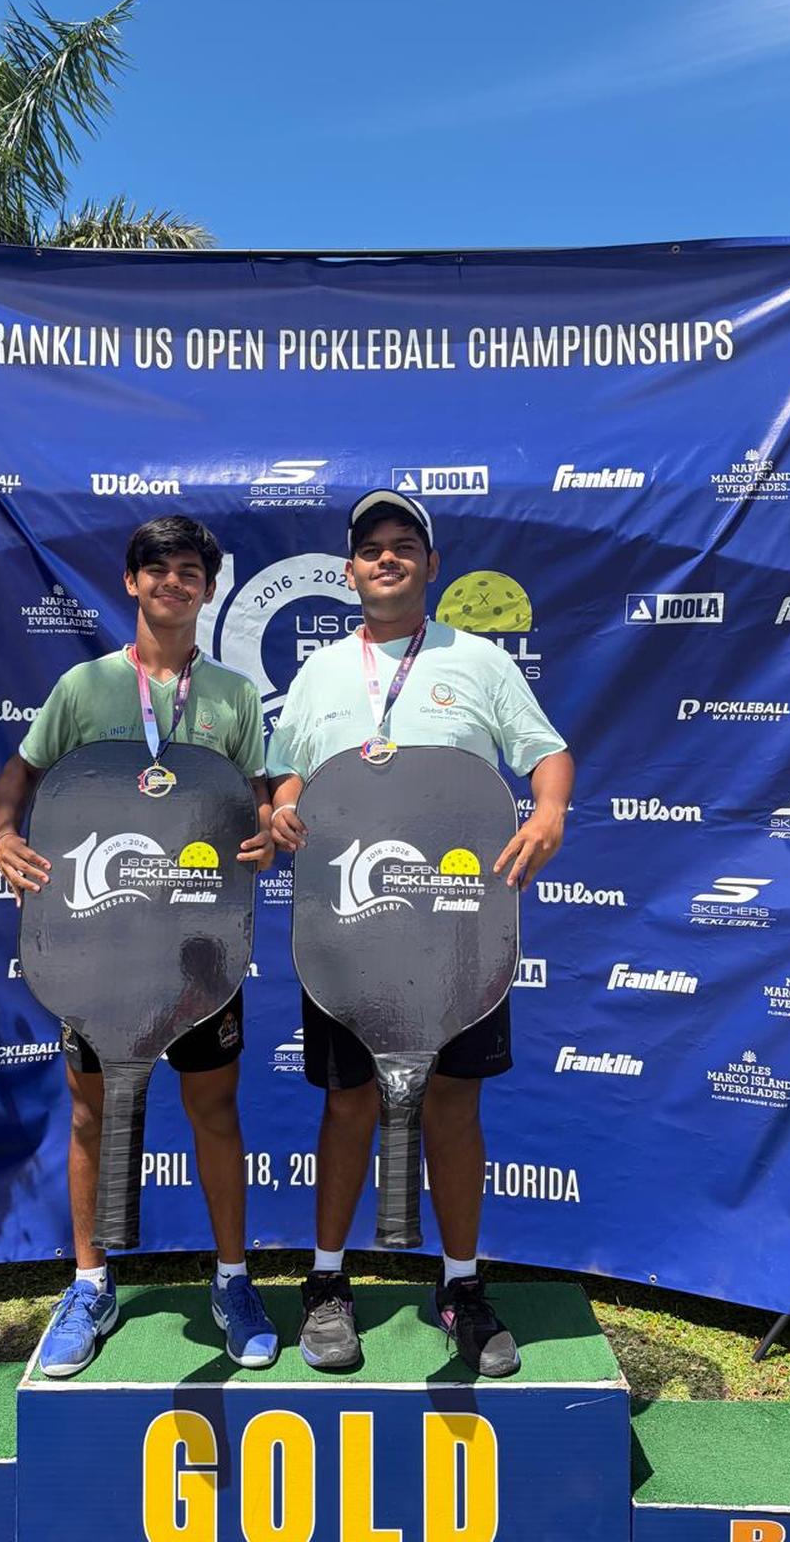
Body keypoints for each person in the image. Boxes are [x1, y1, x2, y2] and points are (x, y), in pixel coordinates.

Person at [268, 490, 574, 1378]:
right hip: (347, 929)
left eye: (406, 546)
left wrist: (549, 808)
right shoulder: (323, 671)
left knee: (453, 1102)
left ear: (431, 566)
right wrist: (284, 810)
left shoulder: (478, 660)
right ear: (352, 568)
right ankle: (326, 1285)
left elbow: (545, 752)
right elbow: (285, 777)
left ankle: (463, 1288)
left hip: (458, 931)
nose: (388, 558)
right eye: (372, 548)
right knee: (348, 1102)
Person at [0, 515, 279, 1377]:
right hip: (101, 945)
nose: (173, 583)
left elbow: (254, 798)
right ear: (131, 582)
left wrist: (265, 831)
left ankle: (232, 1282)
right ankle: (89, 1284)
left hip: (200, 948)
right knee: (92, 1113)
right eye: (157, 570)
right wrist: (4, 830)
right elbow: (23, 771)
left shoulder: (229, 697)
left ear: (206, 588)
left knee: (214, 1112)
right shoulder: (83, 687)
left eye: (190, 571)